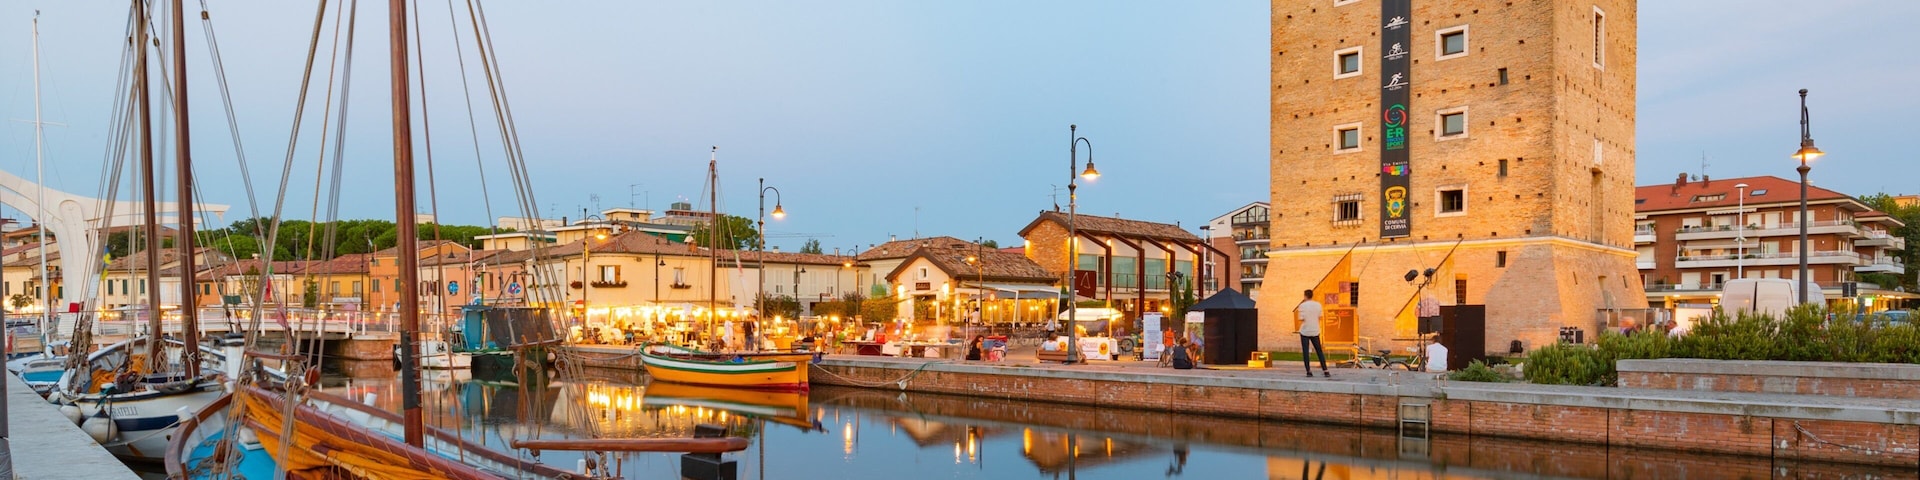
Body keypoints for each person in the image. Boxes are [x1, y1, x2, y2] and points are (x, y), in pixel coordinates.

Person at [1297, 289, 1329, 378]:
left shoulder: (1302, 306)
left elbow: (1301, 318)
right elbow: (1320, 317)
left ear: (1305, 296)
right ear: (1312, 295)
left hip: (1305, 330)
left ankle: (1308, 371)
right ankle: (1325, 370)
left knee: (1306, 351)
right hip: (1315, 330)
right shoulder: (1318, 305)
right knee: (1319, 351)